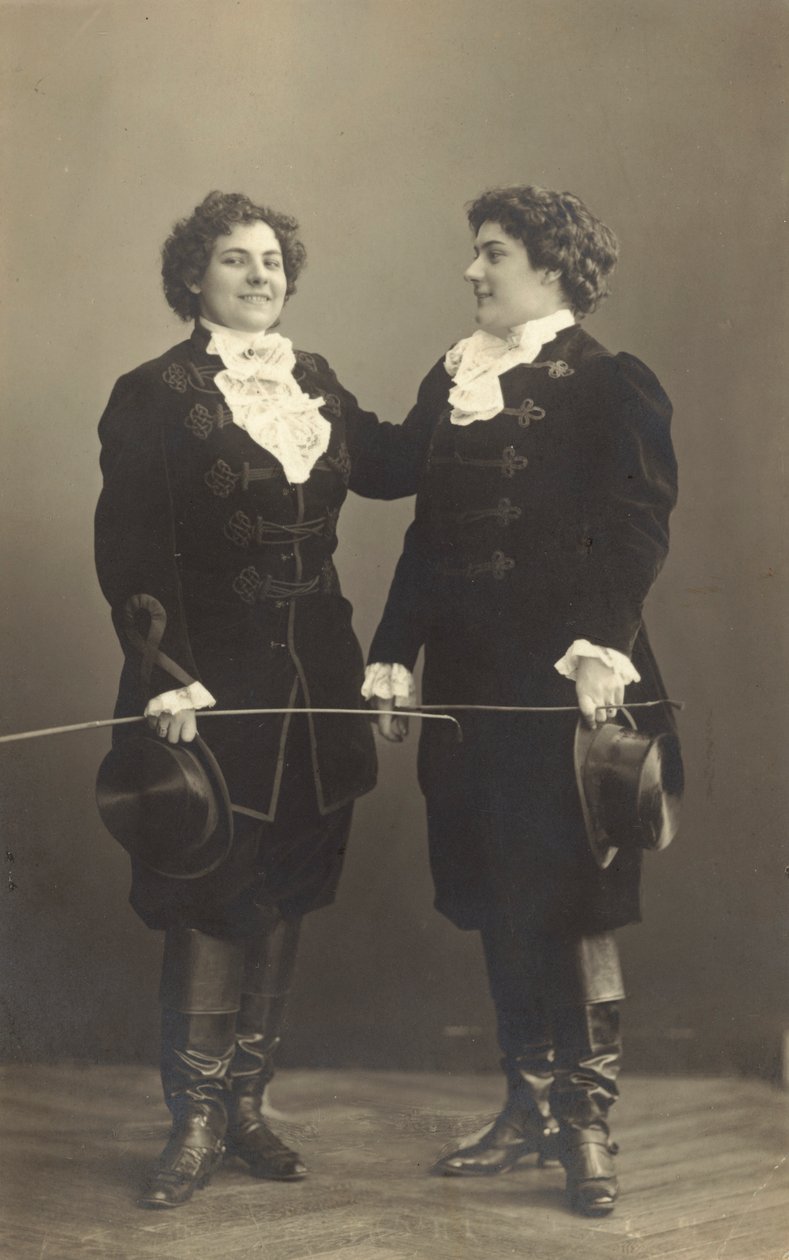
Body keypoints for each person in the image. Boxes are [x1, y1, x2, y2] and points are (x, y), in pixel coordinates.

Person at [95, 191, 431, 1209]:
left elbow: (395, 467)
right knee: (212, 891)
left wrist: (470, 372)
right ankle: (193, 1122)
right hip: (207, 684)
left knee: (284, 887)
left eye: (272, 259)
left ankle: (247, 1108)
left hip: (317, 685)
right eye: (235, 260)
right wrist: (169, 677)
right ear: (193, 279)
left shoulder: (314, 381)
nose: (259, 275)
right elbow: (132, 549)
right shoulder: (151, 392)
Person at [364, 185, 679, 1217]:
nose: (472, 270)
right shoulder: (456, 374)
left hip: (572, 681)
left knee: (577, 902)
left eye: (490, 251)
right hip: (469, 687)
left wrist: (600, 650)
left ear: (549, 265)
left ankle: (587, 1126)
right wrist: (394, 650)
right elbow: (421, 530)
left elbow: (637, 524)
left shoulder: (609, 383)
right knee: (502, 892)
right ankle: (528, 1103)